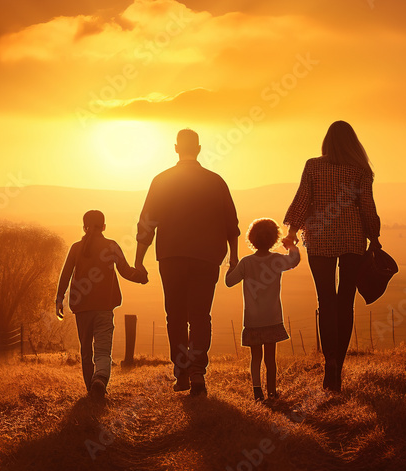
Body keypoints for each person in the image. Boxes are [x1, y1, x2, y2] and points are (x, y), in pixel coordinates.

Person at [135, 128, 240, 397]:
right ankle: (197, 372)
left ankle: (181, 372)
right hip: (206, 258)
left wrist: (139, 261)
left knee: (176, 316)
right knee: (200, 315)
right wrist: (235, 257)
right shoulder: (215, 181)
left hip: (171, 256)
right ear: (200, 148)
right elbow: (231, 224)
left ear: (175, 148)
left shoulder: (162, 180)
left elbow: (147, 223)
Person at [283, 121, 381, 392]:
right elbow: (368, 207)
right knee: (345, 302)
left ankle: (330, 364)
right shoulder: (361, 170)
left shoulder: (313, 165)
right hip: (352, 238)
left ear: (327, 140)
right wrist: (374, 235)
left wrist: (292, 232)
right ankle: (339, 364)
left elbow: (303, 199)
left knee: (325, 301)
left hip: (319, 238)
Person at [56, 210, 148, 399]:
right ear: (104, 226)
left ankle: (91, 388)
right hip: (105, 307)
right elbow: (125, 271)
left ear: (84, 226)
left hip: (81, 308)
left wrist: (59, 298)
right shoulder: (111, 246)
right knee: (103, 349)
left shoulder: (75, 248)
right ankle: (100, 379)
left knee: (86, 351)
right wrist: (141, 277)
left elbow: (65, 275)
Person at [225, 218, 300, 401]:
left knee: (255, 358)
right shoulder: (276, 260)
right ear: (274, 238)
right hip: (272, 318)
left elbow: (229, 282)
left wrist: (231, 265)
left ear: (251, 239)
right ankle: (272, 391)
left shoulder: (246, 263)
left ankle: (257, 390)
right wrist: (291, 245)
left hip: (252, 320)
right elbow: (295, 260)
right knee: (270, 359)